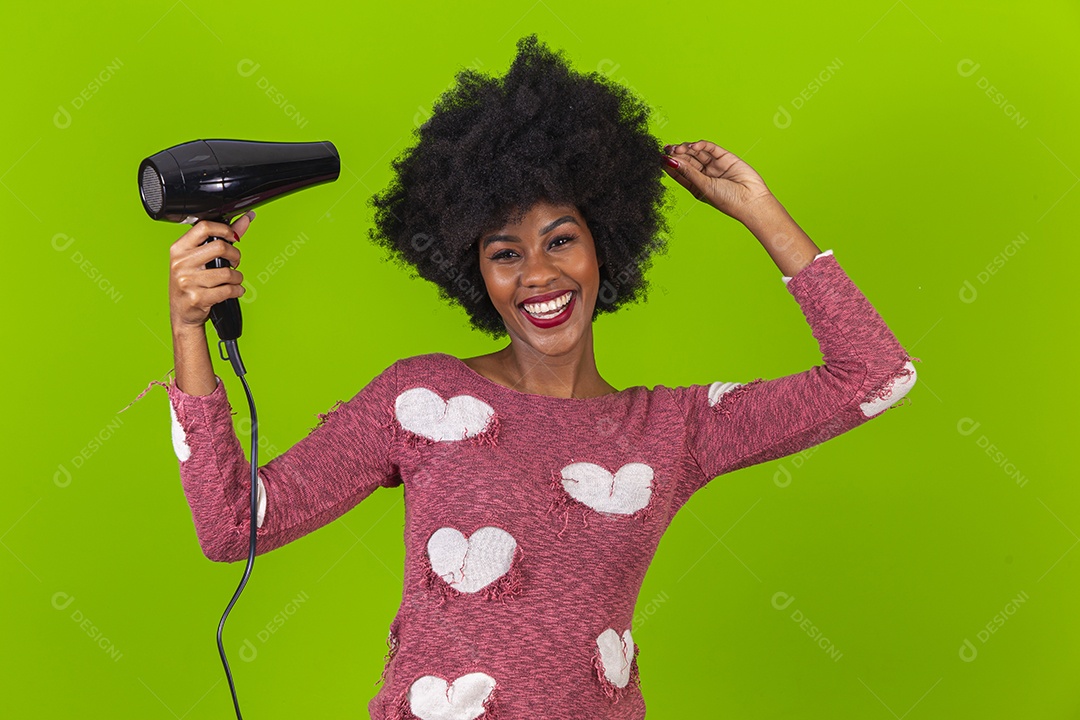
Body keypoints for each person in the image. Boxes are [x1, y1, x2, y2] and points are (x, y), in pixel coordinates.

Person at [164, 35, 917, 720]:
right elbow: (233, 525)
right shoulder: (419, 399)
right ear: (474, 271)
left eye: (561, 240)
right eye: (505, 252)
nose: (540, 275)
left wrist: (762, 214)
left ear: (605, 247)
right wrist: (189, 330)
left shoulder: (671, 430)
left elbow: (875, 375)